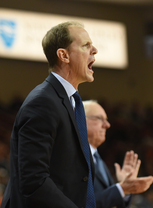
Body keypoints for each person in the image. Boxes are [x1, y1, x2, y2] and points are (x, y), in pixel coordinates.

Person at [1, 21, 99, 208]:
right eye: (85, 45)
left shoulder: (70, 101)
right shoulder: (43, 102)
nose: (94, 50)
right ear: (64, 55)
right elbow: (34, 181)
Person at [82, 100, 153, 208]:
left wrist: (124, 188)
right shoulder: (72, 157)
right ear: (79, 119)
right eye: (99, 118)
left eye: (106, 120)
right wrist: (121, 189)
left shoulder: (97, 158)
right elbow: (79, 203)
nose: (107, 125)